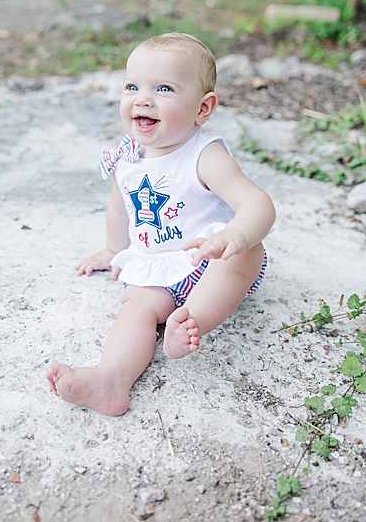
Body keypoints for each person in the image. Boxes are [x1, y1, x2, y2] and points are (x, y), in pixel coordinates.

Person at [46, 33, 275, 416]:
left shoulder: (204, 155)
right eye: (132, 86)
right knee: (134, 308)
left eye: (164, 88)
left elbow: (257, 202)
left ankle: (189, 321)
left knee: (247, 253)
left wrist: (235, 234)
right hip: (157, 267)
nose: (143, 98)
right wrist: (112, 250)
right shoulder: (128, 158)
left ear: (203, 109)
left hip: (207, 263)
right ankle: (112, 380)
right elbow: (120, 210)